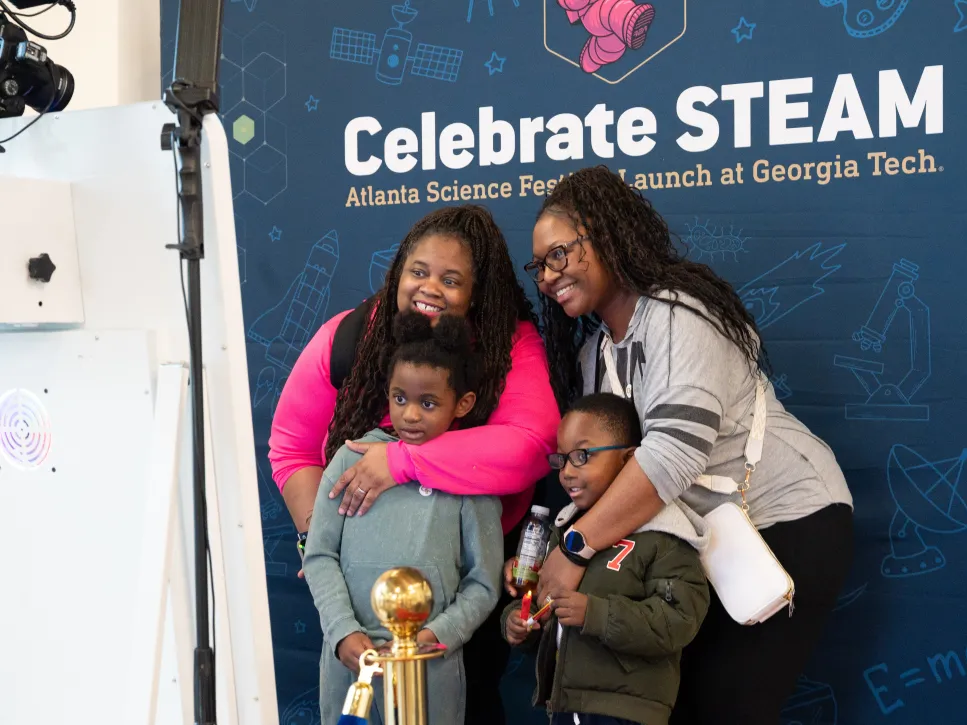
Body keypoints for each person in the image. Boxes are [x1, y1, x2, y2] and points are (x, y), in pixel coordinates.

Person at [525, 166, 855, 724]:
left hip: (785, 522)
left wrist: (575, 548)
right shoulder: (594, 355)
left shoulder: (682, 313)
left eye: (560, 254)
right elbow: (610, 472)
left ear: (606, 236)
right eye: (539, 265)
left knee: (729, 707)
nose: (548, 277)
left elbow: (670, 456)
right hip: (697, 547)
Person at [271, 204, 560, 724]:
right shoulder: (350, 336)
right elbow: (291, 448)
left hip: (451, 621)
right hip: (354, 612)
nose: (430, 288)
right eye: (419, 272)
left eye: (451, 280)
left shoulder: (505, 343)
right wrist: (326, 533)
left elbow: (531, 443)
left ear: (477, 294)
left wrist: (401, 462)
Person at [304, 310, 502, 725]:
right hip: (351, 662)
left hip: (429, 665)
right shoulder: (349, 459)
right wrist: (342, 632)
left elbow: (483, 583)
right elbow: (320, 556)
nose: (411, 415)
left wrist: (433, 638)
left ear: (461, 403)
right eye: (400, 398)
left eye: (428, 403)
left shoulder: (471, 477)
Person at [502, 393, 710, 725]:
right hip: (565, 703)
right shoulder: (565, 530)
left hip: (626, 711)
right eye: (561, 459)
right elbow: (542, 599)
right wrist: (521, 622)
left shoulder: (665, 534)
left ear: (630, 460)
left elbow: (680, 619)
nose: (566, 472)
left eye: (582, 456)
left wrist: (594, 613)